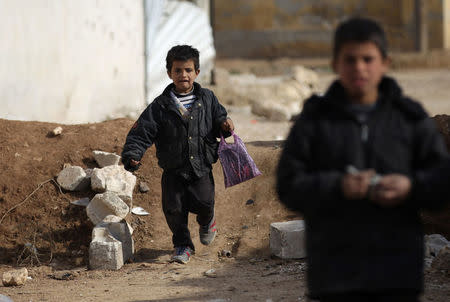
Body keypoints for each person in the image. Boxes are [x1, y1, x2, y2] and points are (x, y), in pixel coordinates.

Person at [276, 17, 449, 302]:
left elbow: (442, 182)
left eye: (368, 59)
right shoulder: (315, 120)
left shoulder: (409, 117)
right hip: (334, 275)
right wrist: (338, 186)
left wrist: (410, 187)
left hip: (398, 274)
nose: (359, 68)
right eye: (350, 59)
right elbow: (288, 186)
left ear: (385, 63)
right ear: (335, 64)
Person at [121, 45, 234, 264]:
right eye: (178, 70)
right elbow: (142, 132)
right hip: (172, 169)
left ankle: (207, 220)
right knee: (173, 209)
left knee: (204, 201)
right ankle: (182, 246)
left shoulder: (207, 99)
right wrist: (133, 153)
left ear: (197, 72)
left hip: (201, 166)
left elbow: (220, 118)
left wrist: (225, 125)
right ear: (169, 73)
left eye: (188, 70)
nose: (183, 75)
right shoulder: (160, 106)